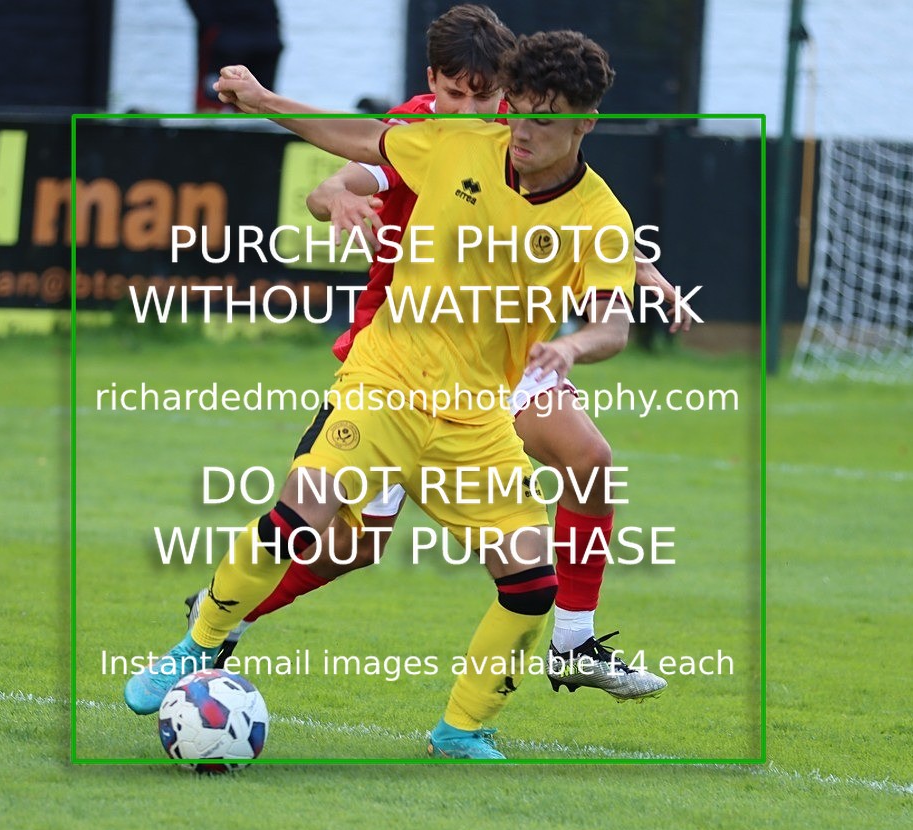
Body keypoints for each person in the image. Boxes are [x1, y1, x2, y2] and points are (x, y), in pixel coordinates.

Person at [125, 29, 649, 759]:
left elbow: (613, 326)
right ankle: (197, 642)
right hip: (386, 379)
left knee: (530, 582)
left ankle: (460, 730)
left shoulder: (600, 217)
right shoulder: (458, 140)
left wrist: (570, 345)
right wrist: (262, 101)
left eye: (545, 120)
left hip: (475, 418)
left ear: (586, 124)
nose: (522, 131)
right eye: (518, 111)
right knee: (298, 519)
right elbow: (361, 140)